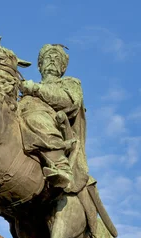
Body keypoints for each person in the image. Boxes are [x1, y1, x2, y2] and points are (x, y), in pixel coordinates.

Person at [19, 44, 86, 191]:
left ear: (63, 68)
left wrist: (35, 89)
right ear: (39, 66)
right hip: (23, 121)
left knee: (36, 117)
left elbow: (68, 101)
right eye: (48, 58)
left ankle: (61, 166)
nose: (52, 60)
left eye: (57, 59)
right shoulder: (27, 89)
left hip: (51, 124)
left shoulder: (70, 83)